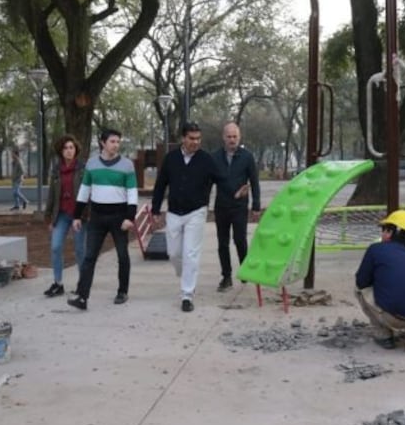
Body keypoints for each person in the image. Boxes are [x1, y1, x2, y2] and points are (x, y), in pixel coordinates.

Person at [151, 121, 227, 312]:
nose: (195, 142)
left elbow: (222, 180)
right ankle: (184, 273)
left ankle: (187, 295)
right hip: (174, 212)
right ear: (183, 138)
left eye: (198, 139)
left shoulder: (206, 160)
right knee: (174, 253)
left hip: (197, 211)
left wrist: (236, 191)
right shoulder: (171, 159)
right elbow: (160, 185)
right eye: (192, 138)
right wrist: (154, 210)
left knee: (191, 254)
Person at [67, 129, 138, 310]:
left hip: (119, 216)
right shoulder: (91, 164)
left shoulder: (127, 165)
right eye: (112, 141)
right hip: (97, 216)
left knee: (122, 255)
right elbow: (84, 190)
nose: (116, 145)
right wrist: (76, 215)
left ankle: (122, 291)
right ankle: (82, 297)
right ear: (103, 143)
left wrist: (130, 217)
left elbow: (132, 193)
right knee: (89, 257)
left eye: (118, 141)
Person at [353, 210, 405, 353]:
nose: (382, 234)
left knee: (358, 290)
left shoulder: (375, 249)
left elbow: (361, 282)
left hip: (394, 318)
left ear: (390, 232)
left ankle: (384, 335)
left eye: (384, 230)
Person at [211, 122, 260, 292]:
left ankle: (245, 270)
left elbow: (254, 182)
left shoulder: (247, 157)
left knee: (240, 240)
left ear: (239, 138)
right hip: (221, 206)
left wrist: (256, 206)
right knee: (222, 243)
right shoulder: (215, 157)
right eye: (229, 136)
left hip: (239, 207)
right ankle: (226, 277)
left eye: (235, 136)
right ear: (223, 137)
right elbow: (208, 182)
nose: (232, 139)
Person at [43, 134, 86, 297]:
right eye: (65, 148)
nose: (68, 151)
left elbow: (88, 191)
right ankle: (58, 283)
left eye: (71, 148)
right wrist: (48, 217)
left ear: (76, 150)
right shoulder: (56, 170)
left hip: (79, 215)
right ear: (61, 151)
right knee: (55, 247)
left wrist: (84, 214)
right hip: (60, 214)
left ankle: (83, 284)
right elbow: (51, 195)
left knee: (80, 250)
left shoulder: (83, 168)